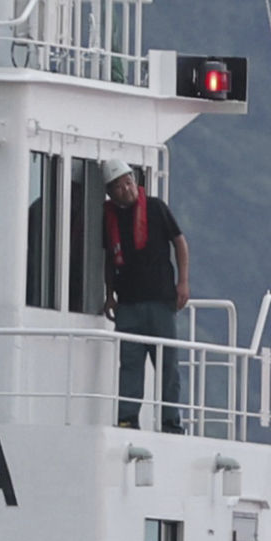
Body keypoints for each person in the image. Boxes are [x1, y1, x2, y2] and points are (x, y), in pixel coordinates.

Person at [103, 166, 189, 429]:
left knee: (167, 366)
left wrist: (183, 282)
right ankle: (127, 418)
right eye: (118, 185)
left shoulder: (155, 208)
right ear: (110, 193)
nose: (125, 188)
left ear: (135, 182)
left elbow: (179, 242)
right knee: (129, 365)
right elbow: (108, 259)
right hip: (127, 304)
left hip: (160, 302)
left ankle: (170, 420)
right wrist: (109, 295)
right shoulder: (109, 219)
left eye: (128, 182)